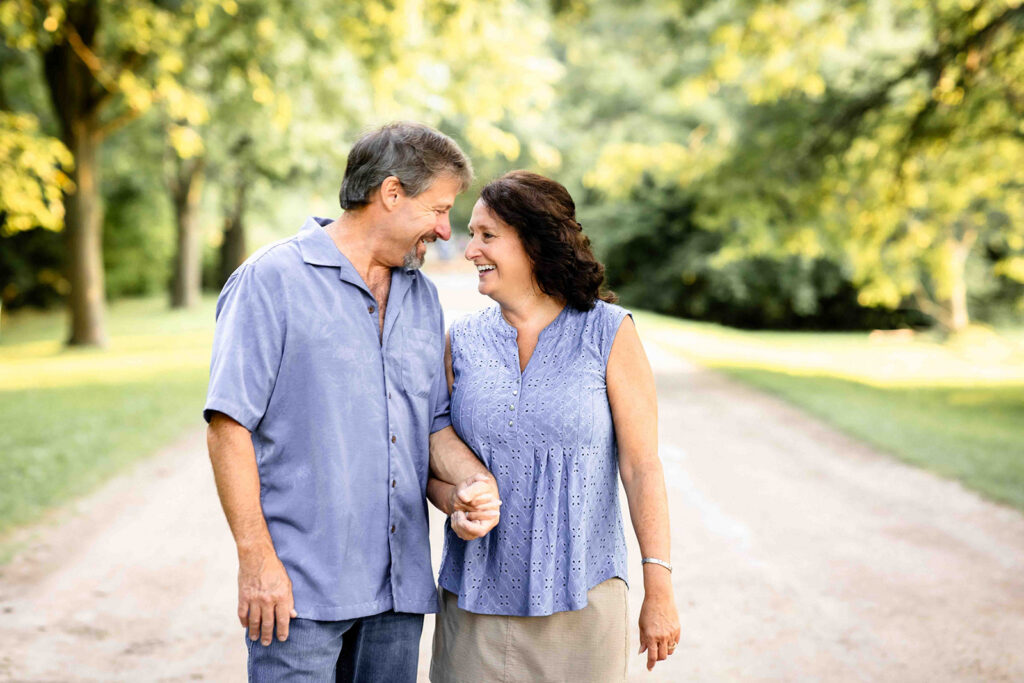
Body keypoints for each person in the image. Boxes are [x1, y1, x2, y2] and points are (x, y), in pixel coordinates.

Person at [204, 122, 501, 682]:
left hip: (398, 594)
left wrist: (472, 485)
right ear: (391, 193)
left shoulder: (421, 297)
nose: (445, 230)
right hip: (298, 594)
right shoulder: (271, 280)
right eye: (438, 210)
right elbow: (228, 426)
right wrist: (256, 560)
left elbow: (432, 425)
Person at [426, 171, 680, 681]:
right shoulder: (462, 340)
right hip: (473, 603)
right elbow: (434, 461)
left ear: (535, 243)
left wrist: (660, 588)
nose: (470, 250)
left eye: (487, 235)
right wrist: (454, 500)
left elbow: (641, 468)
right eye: (471, 234)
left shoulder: (608, 332)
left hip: (583, 601)